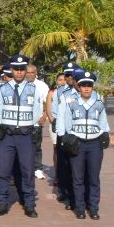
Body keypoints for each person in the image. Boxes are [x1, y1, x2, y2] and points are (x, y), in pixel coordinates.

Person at [0, 54, 39, 217]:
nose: (19, 72)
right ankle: (2, 203)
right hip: (6, 135)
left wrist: (32, 126)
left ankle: (29, 204)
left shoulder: (33, 89)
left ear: (25, 70)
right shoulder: (1, 89)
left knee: (27, 171)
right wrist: (1, 127)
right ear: (12, 70)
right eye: (16, 69)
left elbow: (36, 111)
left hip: (25, 135)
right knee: (4, 170)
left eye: (22, 69)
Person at [56, 70, 110, 220]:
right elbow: (65, 121)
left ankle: (93, 208)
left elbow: (104, 124)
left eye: (89, 85)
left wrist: (104, 135)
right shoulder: (71, 102)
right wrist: (65, 138)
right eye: (83, 85)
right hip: (77, 144)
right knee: (77, 178)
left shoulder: (99, 103)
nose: (86, 88)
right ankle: (79, 208)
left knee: (93, 178)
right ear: (78, 87)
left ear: (92, 87)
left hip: (94, 145)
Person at [49, 64, 77, 207]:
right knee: (62, 163)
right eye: (67, 75)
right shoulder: (59, 91)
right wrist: (55, 123)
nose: (70, 78)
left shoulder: (82, 91)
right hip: (63, 132)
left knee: (75, 165)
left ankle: (74, 194)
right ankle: (62, 191)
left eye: (72, 75)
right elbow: (55, 110)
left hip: (76, 134)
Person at [26, 62, 50, 178]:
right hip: (22, 123)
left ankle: (37, 168)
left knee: (36, 146)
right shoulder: (20, 84)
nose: (30, 75)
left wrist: (44, 116)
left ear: (36, 73)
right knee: (23, 147)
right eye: (28, 72)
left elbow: (49, 102)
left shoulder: (42, 86)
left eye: (32, 72)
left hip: (36, 122)